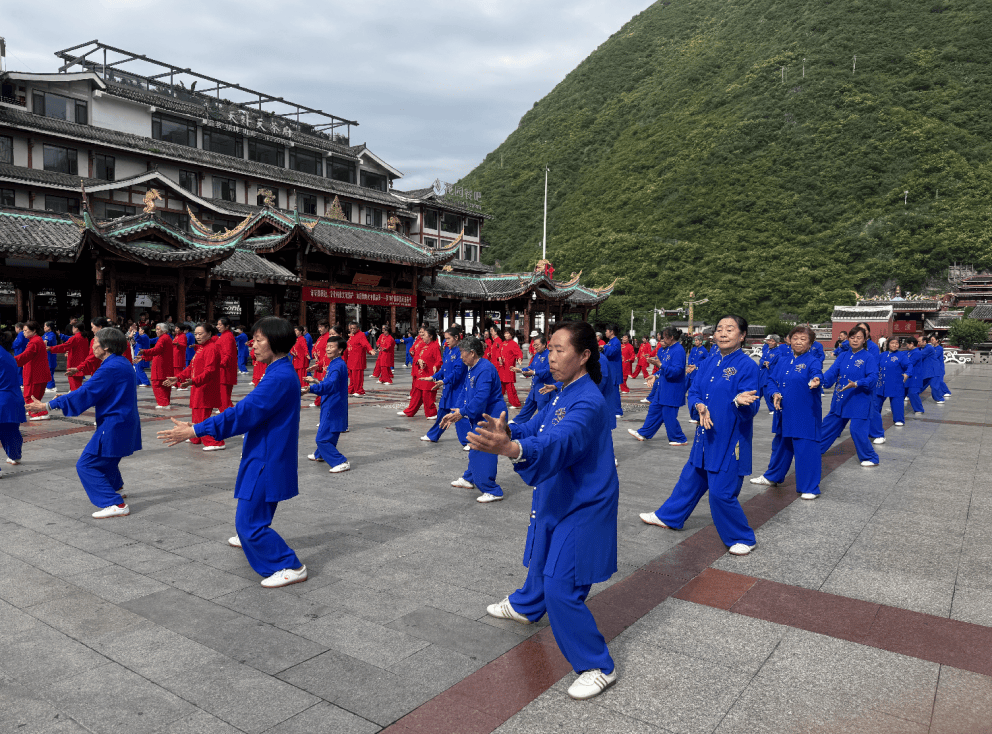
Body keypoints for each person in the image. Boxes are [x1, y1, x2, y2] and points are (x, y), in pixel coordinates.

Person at [471, 321, 619, 700]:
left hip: (583, 503)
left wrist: (513, 450)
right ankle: (526, 606)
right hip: (559, 493)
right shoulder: (561, 392)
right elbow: (536, 425)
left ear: (584, 355)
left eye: (559, 350)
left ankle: (597, 664)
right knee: (540, 558)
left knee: (561, 586)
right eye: (549, 349)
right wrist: (510, 432)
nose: (550, 357)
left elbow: (559, 439)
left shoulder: (586, 400)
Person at [157, 317, 308, 588]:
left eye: (259, 340)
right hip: (264, 451)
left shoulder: (280, 377)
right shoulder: (278, 371)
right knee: (253, 512)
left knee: (248, 523)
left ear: (275, 342)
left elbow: (244, 413)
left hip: (267, 457)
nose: (253, 345)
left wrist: (195, 430)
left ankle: (288, 564)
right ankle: (253, 535)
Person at [639, 315, 761, 555]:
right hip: (704, 436)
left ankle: (743, 537)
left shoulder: (748, 366)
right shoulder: (710, 360)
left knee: (721, 493)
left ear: (742, 335)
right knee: (691, 479)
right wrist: (698, 406)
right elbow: (694, 390)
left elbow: (752, 406)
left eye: (730, 329)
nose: (723, 333)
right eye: (719, 329)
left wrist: (738, 401)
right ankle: (670, 516)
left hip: (729, 440)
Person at [28, 327, 140, 518]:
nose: (93, 346)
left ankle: (115, 503)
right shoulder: (122, 363)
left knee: (86, 464)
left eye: (95, 342)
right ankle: (116, 488)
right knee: (108, 458)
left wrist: (48, 405)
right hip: (124, 420)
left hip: (114, 422)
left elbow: (85, 392)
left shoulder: (110, 367)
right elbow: (94, 391)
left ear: (105, 347)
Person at [750, 327, 824, 499]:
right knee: (781, 446)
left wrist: (817, 380)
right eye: (795, 338)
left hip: (805, 413)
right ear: (790, 340)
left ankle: (810, 487)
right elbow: (771, 380)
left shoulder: (812, 361)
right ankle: (772, 476)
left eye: (803, 339)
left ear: (810, 343)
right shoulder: (784, 360)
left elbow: (817, 374)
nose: (798, 342)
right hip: (784, 412)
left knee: (806, 448)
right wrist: (774, 393)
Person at [441, 336, 507, 502]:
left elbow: (481, 398)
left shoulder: (485, 369)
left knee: (484, 450)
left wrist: (463, 412)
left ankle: (492, 490)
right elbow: (465, 390)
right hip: (481, 414)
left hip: (490, 416)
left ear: (472, 353)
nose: (461, 356)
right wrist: (457, 408)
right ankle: (469, 478)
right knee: (475, 446)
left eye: (462, 352)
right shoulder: (472, 367)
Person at [819, 326, 880, 466]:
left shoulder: (868, 357)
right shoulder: (843, 355)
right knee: (828, 425)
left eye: (859, 337)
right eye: (852, 337)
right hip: (841, 398)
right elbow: (832, 372)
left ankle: (870, 457)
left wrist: (858, 383)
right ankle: (816, 449)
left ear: (864, 339)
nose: (855, 340)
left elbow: (873, 377)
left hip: (860, 398)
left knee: (857, 430)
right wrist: (821, 380)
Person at [165, 323, 225, 450]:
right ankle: (195, 436)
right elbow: (191, 367)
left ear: (209, 334)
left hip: (206, 387)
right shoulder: (202, 348)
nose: (197, 336)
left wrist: (193, 381)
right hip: (198, 386)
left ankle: (215, 442)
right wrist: (178, 377)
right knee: (196, 413)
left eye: (200, 333)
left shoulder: (211, 348)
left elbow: (210, 371)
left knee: (203, 416)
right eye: (196, 334)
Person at [629, 326, 687, 445]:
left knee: (669, 415)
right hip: (663, 388)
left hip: (672, 389)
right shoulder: (668, 349)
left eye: (664, 337)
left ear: (671, 337)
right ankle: (644, 433)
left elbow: (676, 371)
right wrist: (655, 375)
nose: (662, 340)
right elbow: (664, 368)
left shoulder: (678, 350)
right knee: (654, 410)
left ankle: (679, 438)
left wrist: (659, 364)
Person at [303, 335, 350, 472]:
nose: (328, 349)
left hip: (333, 404)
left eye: (331, 347)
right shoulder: (335, 363)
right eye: (327, 346)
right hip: (333, 402)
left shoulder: (337, 366)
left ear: (340, 350)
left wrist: (311, 388)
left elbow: (331, 386)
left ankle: (340, 461)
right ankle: (320, 454)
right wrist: (315, 381)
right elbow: (329, 383)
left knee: (322, 438)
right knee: (331, 431)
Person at [423, 325, 469, 446]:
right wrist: (433, 377)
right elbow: (444, 369)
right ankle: (433, 435)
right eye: (445, 338)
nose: (446, 341)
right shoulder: (448, 351)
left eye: (448, 338)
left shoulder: (461, 351)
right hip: (448, 388)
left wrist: (444, 381)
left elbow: (458, 372)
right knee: (442, 413)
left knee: (459, 416)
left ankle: (469, 442)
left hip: (458, 389)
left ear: (456, 337)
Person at [399, 326, 442, 418]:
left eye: (424, 334)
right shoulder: (424, 345)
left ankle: (432, 413)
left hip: (429, 375)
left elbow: (439, 360)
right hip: (421, 374)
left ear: (430, 336)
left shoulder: (435, 346)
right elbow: (417, 355)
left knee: (428, 396)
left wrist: (436, 366)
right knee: (416, 395)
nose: (422, 336)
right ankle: (410, 411)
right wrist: (419, 360)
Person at [15, 321, 52, 421]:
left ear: (34, 330)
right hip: (38, 374)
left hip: (34, 375)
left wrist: (10, 361)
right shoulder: (37, 340)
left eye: (26, 330)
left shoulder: (34, 342)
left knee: (29, 396)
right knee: (35, 396)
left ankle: (41, 413)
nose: (24, 333)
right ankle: (34, 410)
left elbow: (25, 356)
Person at [512, 334, 553, 424]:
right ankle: (515, 424)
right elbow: (531, 367)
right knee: (527, 408)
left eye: (537, 345)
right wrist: (520, 370)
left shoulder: (549, 355)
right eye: (534, 345)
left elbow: (548, 371)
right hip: (535, 388)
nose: (535, 347)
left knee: (543, 412)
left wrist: (534, 373)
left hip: (544, 389)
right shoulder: (537, 355)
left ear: (544, 345)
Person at [875, 336, 912, 430]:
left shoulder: (901, 355)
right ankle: (874, 419)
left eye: (896, 343)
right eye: (892, 343)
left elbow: (909, 365)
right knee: (876, 403)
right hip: (881, 383)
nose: (894, 345)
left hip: (895, 383)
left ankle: (899, 419)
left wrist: (907, 374)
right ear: (888, 344)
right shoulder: (882, 355)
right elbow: (875, 366)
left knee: (897, 402)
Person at [0, 343, 26, 472]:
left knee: (8, 430)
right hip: (13, 398)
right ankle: (14, 456)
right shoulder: (7, 355)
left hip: (2, 398)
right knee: (10, 430)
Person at [138, 323, 176, 409]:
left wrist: (144, 351)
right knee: (164, 385)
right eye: (156, 329)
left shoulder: (163, 338)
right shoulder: (166, 338)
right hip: (164, 365)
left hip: (160, 366)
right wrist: (143, 357)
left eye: (158, 329)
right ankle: (166, 403)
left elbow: (156, 350)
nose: (157, 331)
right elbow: (158, 352)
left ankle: (163, 403)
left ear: (164, 330)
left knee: (157, 384)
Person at [49, 323, 90, 392]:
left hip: (73, 363)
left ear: (76, 328)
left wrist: (51, 348)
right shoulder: (84, 338)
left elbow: (64, 346)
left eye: (73, 328)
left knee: (74, 386)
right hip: (80, 363)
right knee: (77, 385)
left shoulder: (75, 338)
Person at [600, 324, 623, 418]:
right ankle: (611, 409)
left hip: (615, 370)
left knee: (614, 391)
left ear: (611, 331)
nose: (605, 332)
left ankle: (618, 411)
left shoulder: (616, 342)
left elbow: (611, 352)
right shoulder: (610, 341)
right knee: (609, 390)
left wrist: (604, 347)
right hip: (610, 369)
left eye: (607, 331)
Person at [346, 322, 374, 396]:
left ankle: (359, 390)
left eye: (354, 328)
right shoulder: (352, 335)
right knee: (352, 376)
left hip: (358, 359)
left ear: (358, 328)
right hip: (351, 359)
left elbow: (365, 344)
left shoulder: (361, 335)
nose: (352, 330)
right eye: (351, 328)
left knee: (357, 376)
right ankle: (352, 389)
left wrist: (370, 349)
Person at [216, 317, 238, 410]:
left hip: (225, 370)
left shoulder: (227, 336)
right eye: (217, 324)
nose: (218, 326)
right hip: (224, 369)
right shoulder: (225, 335)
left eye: (220, 324)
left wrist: (220, 365)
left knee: (223, 397)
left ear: (227, 326)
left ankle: (228, 416)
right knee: (224, 397)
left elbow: (228, 354)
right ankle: (231, 416)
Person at [685, 335, 709, 419]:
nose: (696, 342)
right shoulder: (693, 349)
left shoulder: (704, 350)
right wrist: (690, 364)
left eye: (697, 340)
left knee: (694, 392)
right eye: (695, 340)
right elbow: (690, 357)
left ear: (701, 341)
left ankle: (696, 414)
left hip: (697, 372)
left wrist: (696, 365)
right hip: (690, 372)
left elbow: (707, 361)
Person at [498, 328, 523, 408]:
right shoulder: (503, 343)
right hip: (502, 368)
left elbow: (518, 353)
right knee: (500, 387)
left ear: (511, 335)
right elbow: (498, 352)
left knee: (510, 388)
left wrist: (519, 358)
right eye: (505, 333)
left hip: (509, 369)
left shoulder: (513, 344)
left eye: (507, 333)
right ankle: (498, 402)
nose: (506, 335)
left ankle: (515, 403)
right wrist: (499, 358)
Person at [904, 337, 926, 416]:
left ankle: (919, 409)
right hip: (907, 377)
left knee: (913, 393)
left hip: (915, 376)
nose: (906, 346)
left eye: (907, 344)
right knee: (901, 393)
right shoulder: (908, 352)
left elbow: (909, 363)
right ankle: (896, 407)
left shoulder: (917, 352)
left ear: (912, 344)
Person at [929, 335, 952, 400]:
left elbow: (935, 356)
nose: (931, 341)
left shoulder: (939, 348)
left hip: (939, 367)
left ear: (937, 340)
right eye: (931, 340)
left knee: (940, 381)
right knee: (937, 381)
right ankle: (942, 392)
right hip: (934, 367)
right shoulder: (932, 348)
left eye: (933, 339)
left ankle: (947, 391)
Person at [42, 321, 60, 393]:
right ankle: (49, 386)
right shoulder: (46, 334)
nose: (44, 327)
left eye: (45, 326)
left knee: (49, 371)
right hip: (46, 355)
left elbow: (46, 341)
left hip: (50, 355)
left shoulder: (52, 334)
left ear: (49, 327)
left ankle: (51, 386)